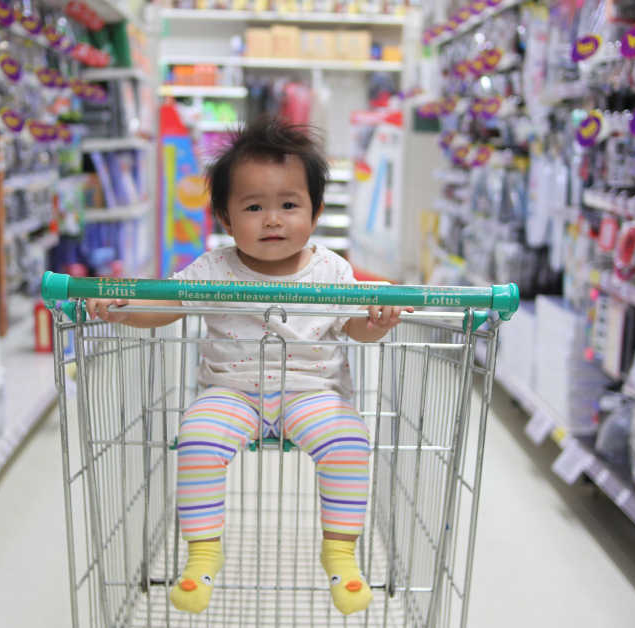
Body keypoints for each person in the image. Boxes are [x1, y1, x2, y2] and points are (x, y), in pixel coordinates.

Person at [85, 116, 410, 616]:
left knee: (349, 440)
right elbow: (163, 308)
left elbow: (354, 327)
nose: (273, 220)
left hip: (313, 392)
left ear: (316, 211)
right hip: (230, 393)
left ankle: (341, 553)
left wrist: (379, 321)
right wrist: (122, 308)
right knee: (196, 435)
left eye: (289, 205)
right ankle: (202, 555)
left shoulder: (332, 271)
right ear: (225, 218)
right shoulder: (213, 269)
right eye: (254, 207)